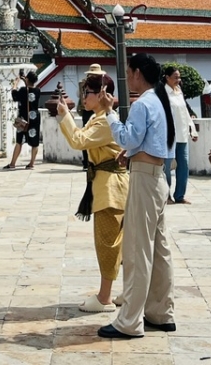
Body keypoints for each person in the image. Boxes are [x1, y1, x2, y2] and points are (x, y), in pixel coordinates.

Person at [96, 52, 176, 340]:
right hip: (158, 176)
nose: (128, 78)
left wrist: (109, 112)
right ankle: (161, 312)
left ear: (138, 73)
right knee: (160, 250)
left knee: (137, 250)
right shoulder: (162, 100)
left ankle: (130, 320)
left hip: (144, 180)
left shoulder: (143, 103)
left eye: (129, 73)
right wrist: (130, 154)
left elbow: (128, 137)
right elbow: (152, 142)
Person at [54, 69, 129, 312]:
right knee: (119, 243)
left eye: (88, 92)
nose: (84, 97)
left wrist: (65, 116)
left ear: (102, 94)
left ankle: (105, 297)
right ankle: (127, 292)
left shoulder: (104, 121)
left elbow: (79, 141)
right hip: (109, 184)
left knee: (107, 244)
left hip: (110, 187)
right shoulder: (99, 118)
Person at [162, 65, 197, 204]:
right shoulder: (163, 93)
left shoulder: (179, 91)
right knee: (167, 166)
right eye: (175, 77)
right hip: (169, 135)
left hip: (182, 134)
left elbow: (185, 113)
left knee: (184, 164)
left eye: (179, 77)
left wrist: (192, 129)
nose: (178, 80)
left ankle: (180, 195)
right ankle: (166, 195)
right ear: (167, 78)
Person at [5, 70, 41, 169]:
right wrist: (26, 81)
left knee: (19, 141)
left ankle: (12, 163)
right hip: (34, 119)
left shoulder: (22, 90)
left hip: (23, 119)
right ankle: (32, 163)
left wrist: (16, 82)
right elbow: (29, 91)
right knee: (35, 142)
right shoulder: (38, 91)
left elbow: (14, 95)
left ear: (27, 79)